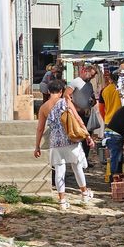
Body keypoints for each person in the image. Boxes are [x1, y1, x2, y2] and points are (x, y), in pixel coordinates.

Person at [34, 78, 94, 210]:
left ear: (49, 91)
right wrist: (88, 136)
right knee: (77, 167)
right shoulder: (66, 102)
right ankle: (84, 194)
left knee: (60, 171)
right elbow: (78, 119)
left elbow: (40, 129)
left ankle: (62, 200)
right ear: (61, 91)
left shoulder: (43, 107)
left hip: (55, 142)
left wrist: (37, 146)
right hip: (70, 139)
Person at [68, 65, 99, 168]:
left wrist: (93, 101)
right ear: (85, 71)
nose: (92, 77)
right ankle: (76, 160)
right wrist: (76, 108)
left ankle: (84, 159)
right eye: (92, 74)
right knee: (78, 137)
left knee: (87, 138)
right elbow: (66, 96)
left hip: (87, 114)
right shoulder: (75, 82)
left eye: (93, 76)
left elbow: (92, 97)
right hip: (77, 115)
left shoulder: (89, 85)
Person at [105, 104, 124, 176]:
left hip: (112, 133)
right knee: (116, 158)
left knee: (118, 158)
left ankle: (117, 177)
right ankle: (114, 178)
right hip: (114, 134)